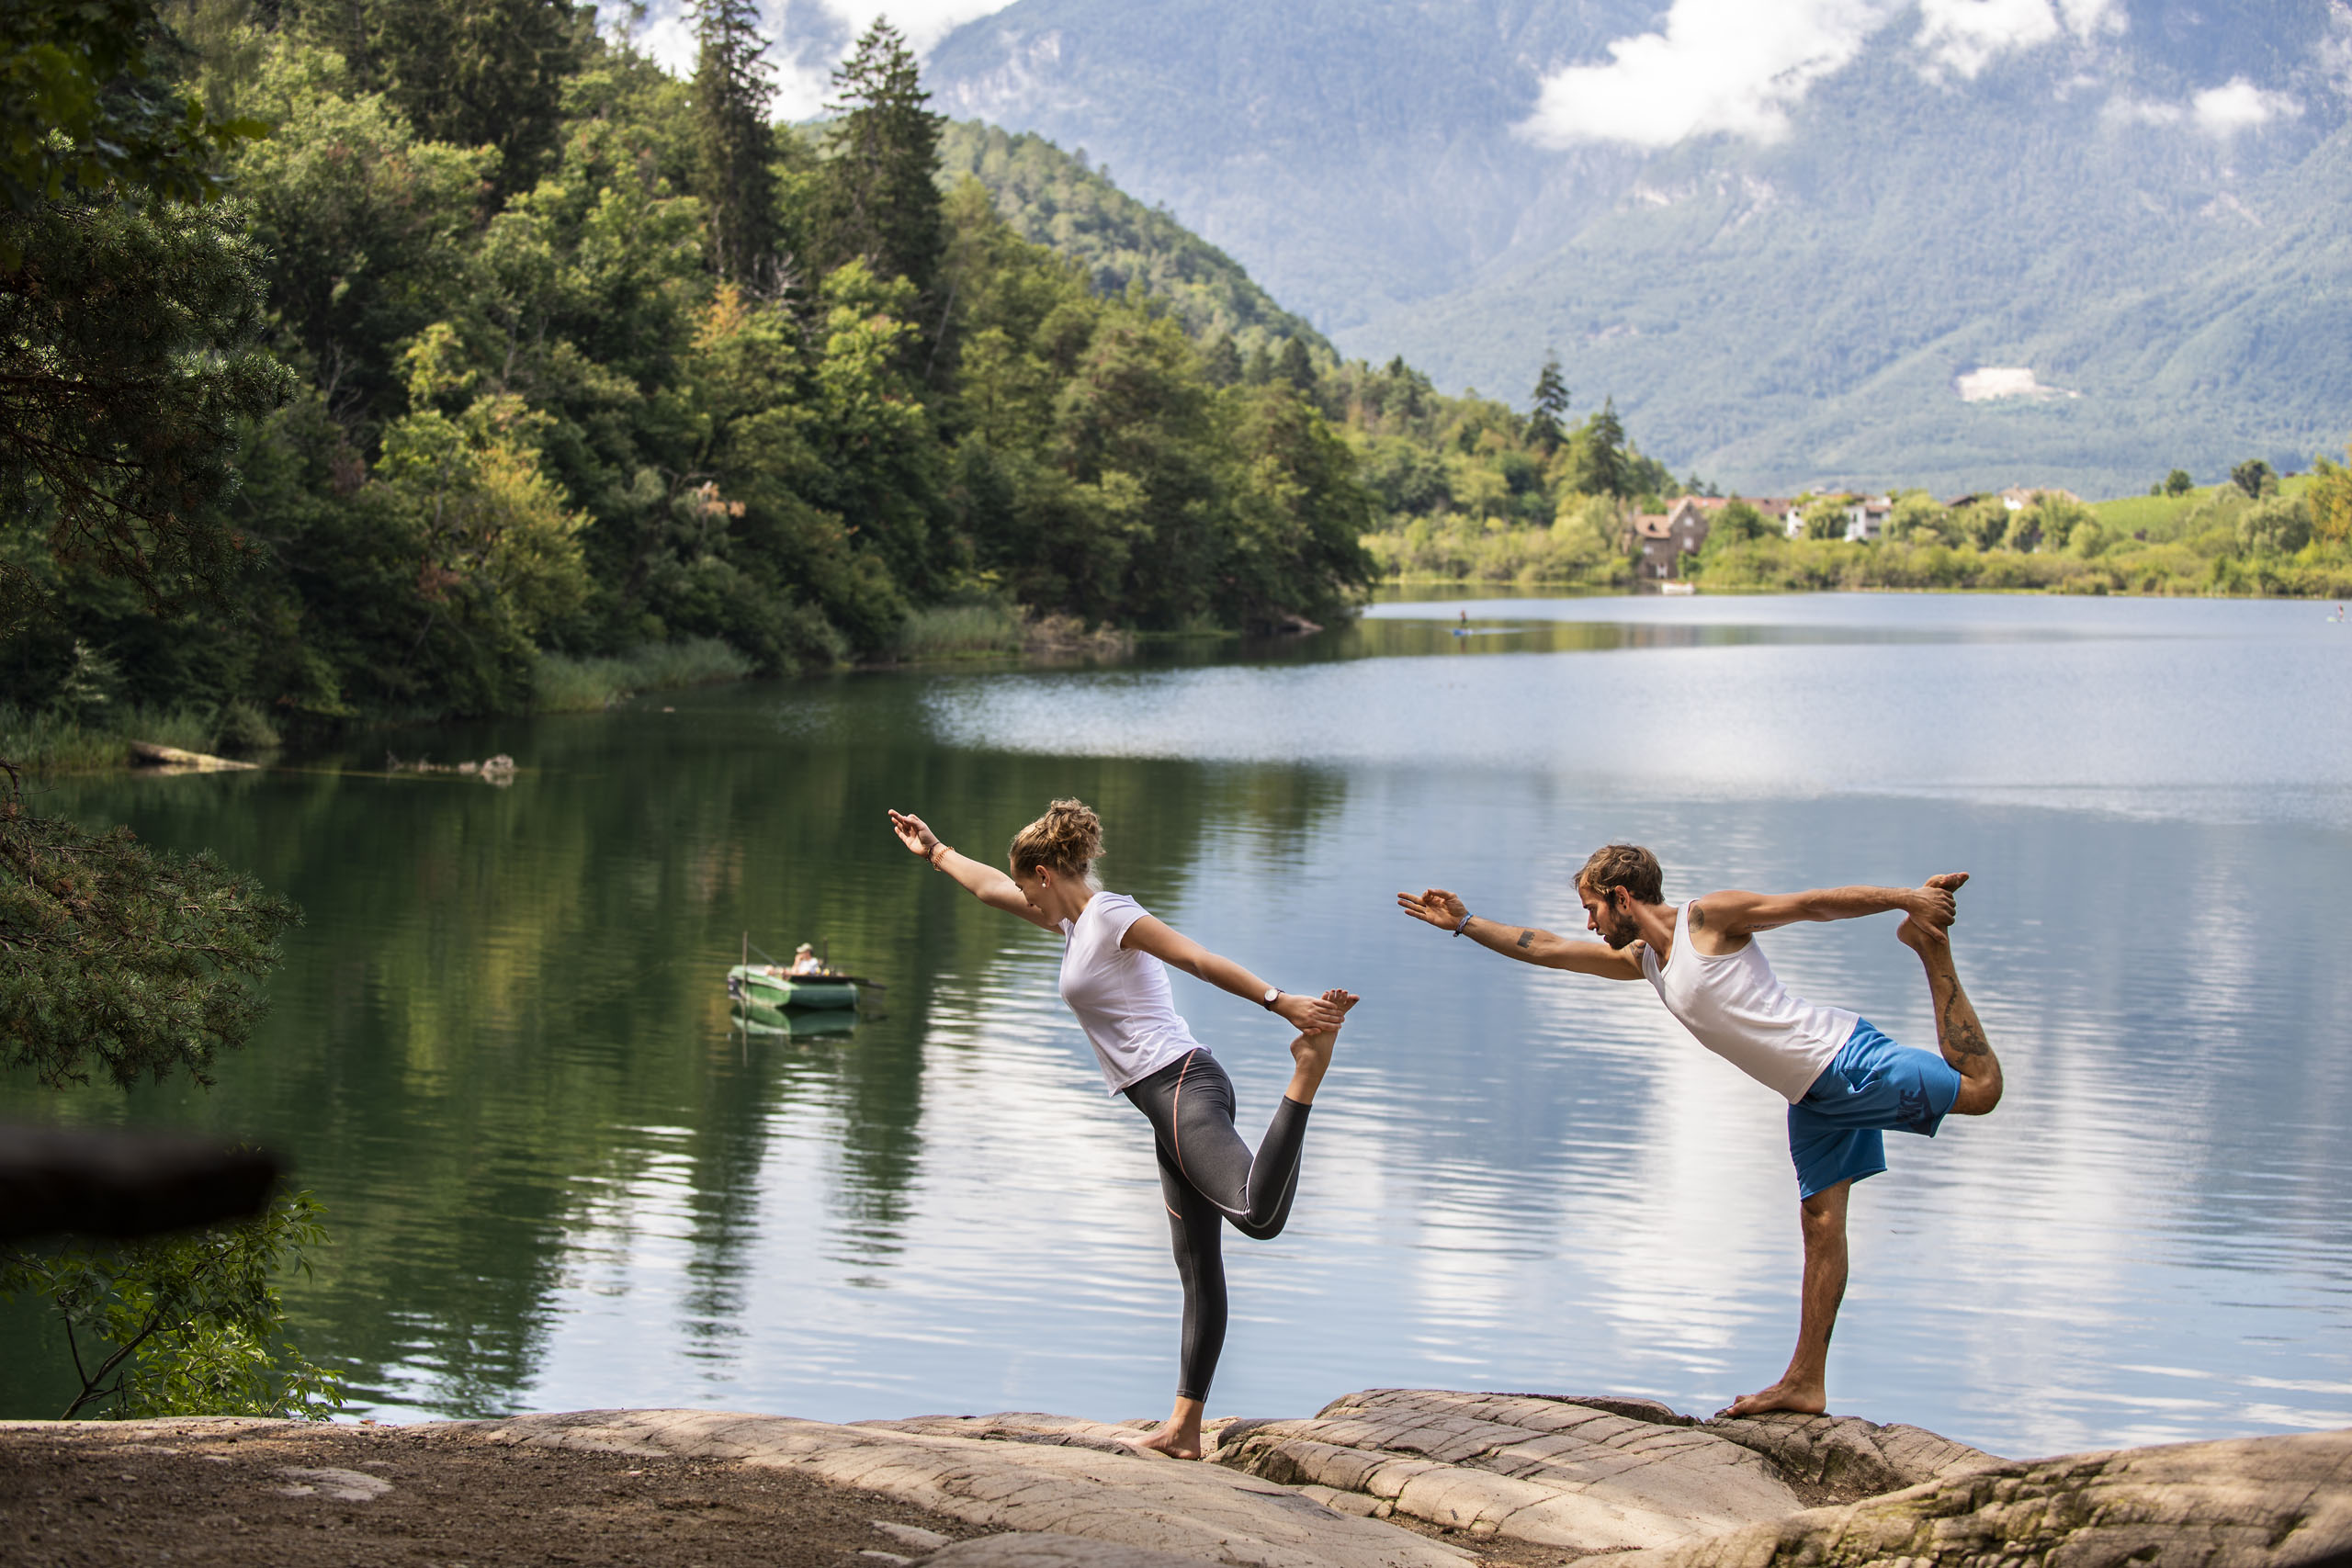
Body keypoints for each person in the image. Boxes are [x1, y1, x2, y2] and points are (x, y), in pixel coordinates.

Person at [1397, 844, 2001, 1417]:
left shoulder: (1708, 920)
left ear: (1622, 897)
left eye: (1592, 908)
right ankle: (1805, 1381)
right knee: (1820, 1225)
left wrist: (1907, 900)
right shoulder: (1648, 960)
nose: (1588, 924)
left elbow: (1812, 902)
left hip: (1842, 1060)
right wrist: (1465, 920)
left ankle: (1930, 948)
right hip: (1810, 1097)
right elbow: (1547, 948)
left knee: (1980, 1089)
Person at [888, 798, 1356, 1460]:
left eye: (1029, 886)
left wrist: (1281, 1003)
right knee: (1196, 1264)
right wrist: (935, 850)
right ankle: (1184, 1429)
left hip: (1184, 1084)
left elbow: (1193, 956)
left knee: (1256, 1212)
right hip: (1161, 1100)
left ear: (1046, 872)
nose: (1025, 898)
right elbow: (992, 888)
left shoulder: (1110, 914)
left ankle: (1306, 1071)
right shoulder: (1075, 923)